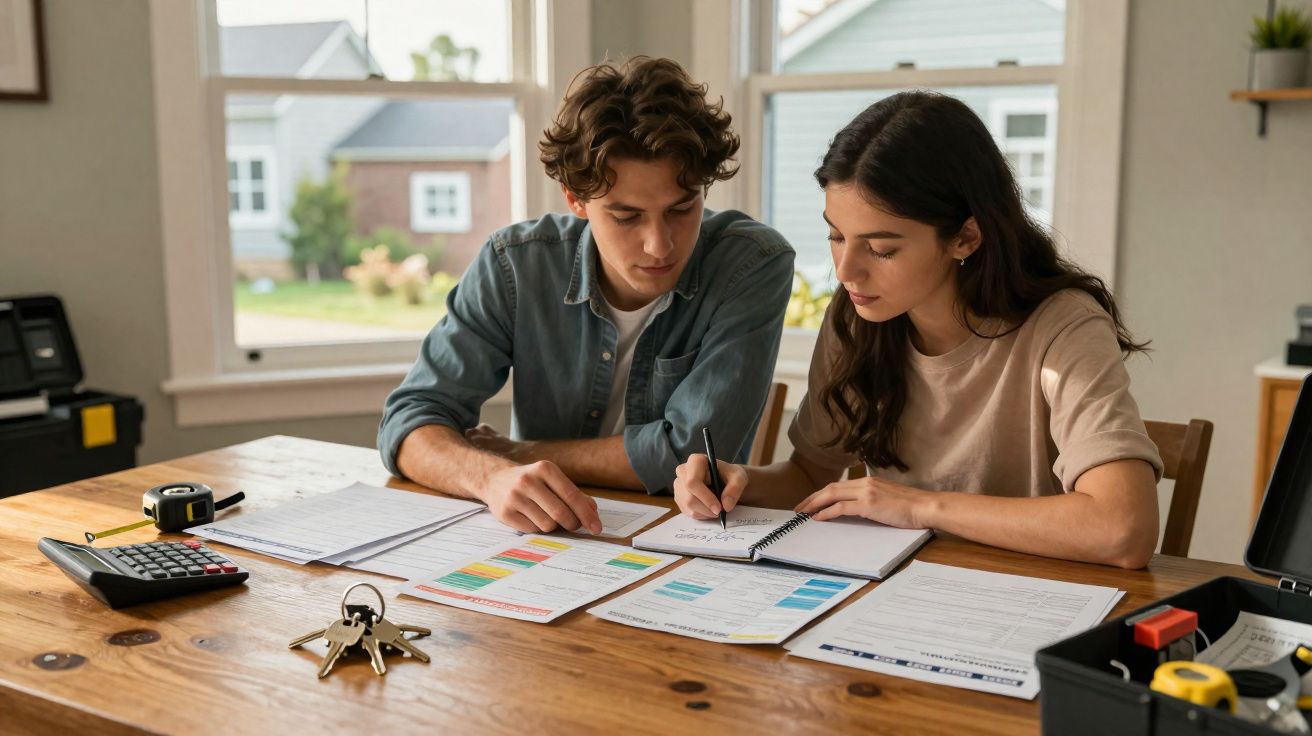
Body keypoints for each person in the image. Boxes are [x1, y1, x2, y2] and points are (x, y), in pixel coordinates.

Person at [673, 91, 1164, 569]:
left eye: (881, 249)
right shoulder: (856, 317)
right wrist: (735, 480)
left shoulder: (1063, 328)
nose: (846, 271)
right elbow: (810, 475)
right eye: (836, 235)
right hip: (891, 591)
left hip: (1029, 601)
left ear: (965, 237)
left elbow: (1123, 528)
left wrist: (916, 507)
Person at [379, 57, 795, 535]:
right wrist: (489, 476)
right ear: (575, 199)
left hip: (688, 541)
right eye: (626, 217)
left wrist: (517, 452)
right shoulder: (514, 265)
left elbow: (689, 455)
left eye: (682, 208)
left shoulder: (752, 264)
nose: (660, 245)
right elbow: (409, 423)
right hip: (544, 538)